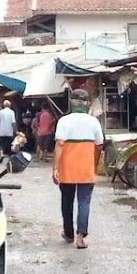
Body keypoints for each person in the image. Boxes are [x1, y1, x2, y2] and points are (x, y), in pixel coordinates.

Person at [53, 89, 104, 248]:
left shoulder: (64, 121)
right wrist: (94, 164)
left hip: (67, 169)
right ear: (87, 103)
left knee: (66, 202)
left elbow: (59, 145)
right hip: (85, 169)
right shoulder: (94, 121)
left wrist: (55, 168)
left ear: (72, 103)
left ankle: (68, 234)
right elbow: (99, 145)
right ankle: (80, 237)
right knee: (84, 202)